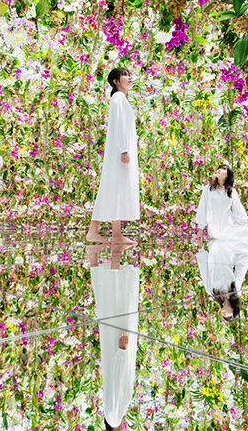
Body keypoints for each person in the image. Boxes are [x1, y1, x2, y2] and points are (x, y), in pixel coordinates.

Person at [193, 164, 248, 322]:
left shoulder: (212, 293)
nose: (225, 314)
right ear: (234, 309)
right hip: (217, 230)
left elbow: (239, 212)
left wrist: (247, 224)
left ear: (228, 175)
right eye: (229, 315)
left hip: (230, 227)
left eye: (223, 169)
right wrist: (200, 230)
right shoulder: (208, 190)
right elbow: (202, 209)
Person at [86, 67, 140, 250]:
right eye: (124, 75)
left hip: (121, 151)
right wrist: (124, 149)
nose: (129, 77)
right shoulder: (118, 98)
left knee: (117, 189)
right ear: (116, 81)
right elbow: (119, 126)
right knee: (111, 187)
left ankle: (116, 233)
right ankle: (94, 228)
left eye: (128, 74)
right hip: (120, 151)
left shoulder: (121, 99)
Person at [91, 254, 140, 431]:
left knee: (117, 305)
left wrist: (121, 350)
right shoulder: (115, 416)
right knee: (113, 307)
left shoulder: (113, 417)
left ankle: (115, 254)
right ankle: (94, 258)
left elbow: (116, 381)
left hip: (119, 350)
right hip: (119, 351)